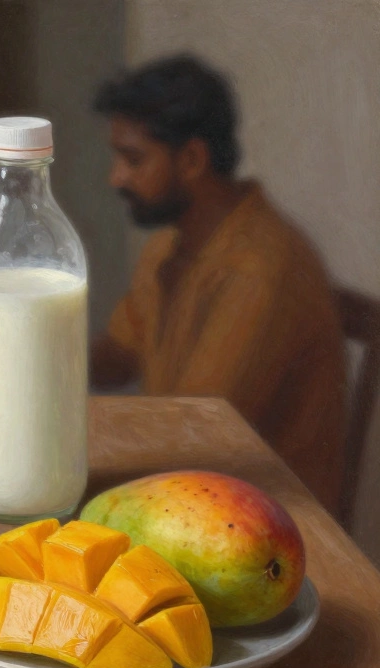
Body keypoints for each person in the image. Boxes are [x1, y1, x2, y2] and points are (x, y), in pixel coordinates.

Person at [89, 55, 348, 515]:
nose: (116, 177)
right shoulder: (170, 245)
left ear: (191, 159)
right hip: (183, 493)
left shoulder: (261, 269)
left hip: (269, 524)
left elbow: (197, 433)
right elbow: (117, 357)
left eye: (133, 159)